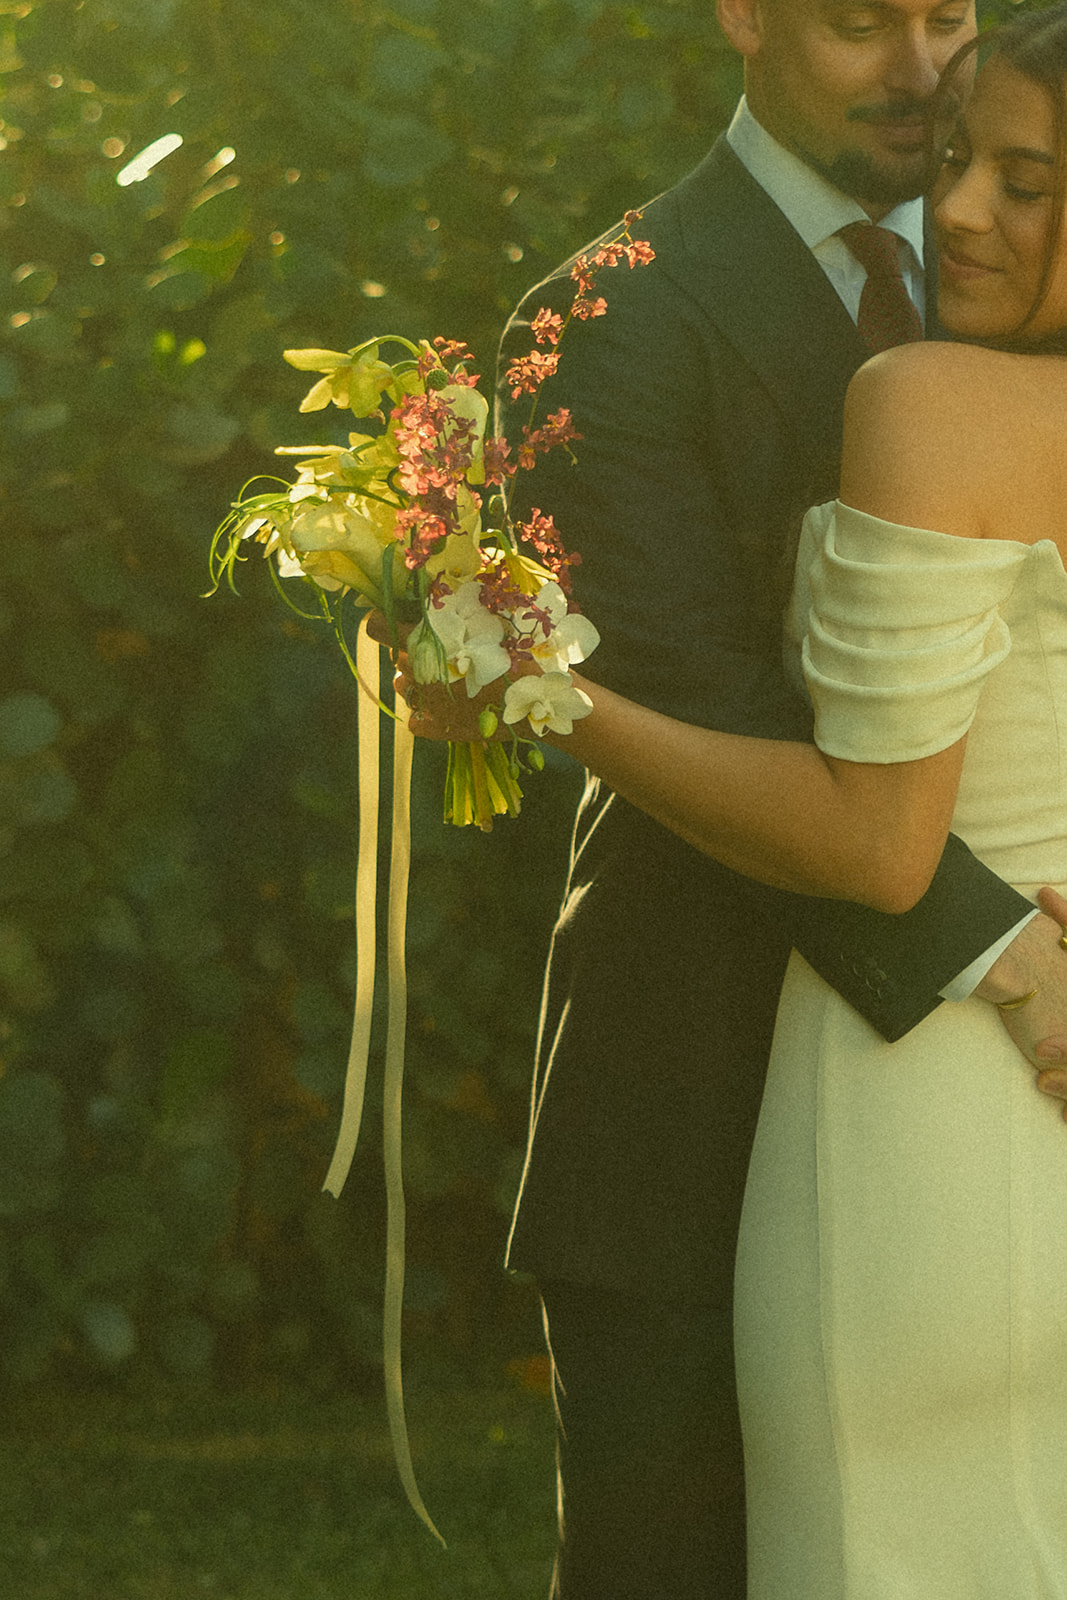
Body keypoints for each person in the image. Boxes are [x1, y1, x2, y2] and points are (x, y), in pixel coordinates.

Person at [399, 8, 1067, 1593]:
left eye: (947, 17)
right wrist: (1013, 955)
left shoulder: (1011, 279)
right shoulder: (610, 317)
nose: (917, 68)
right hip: (695, 1102)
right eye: (858, 18)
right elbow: (733, 718)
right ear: (745, 11)